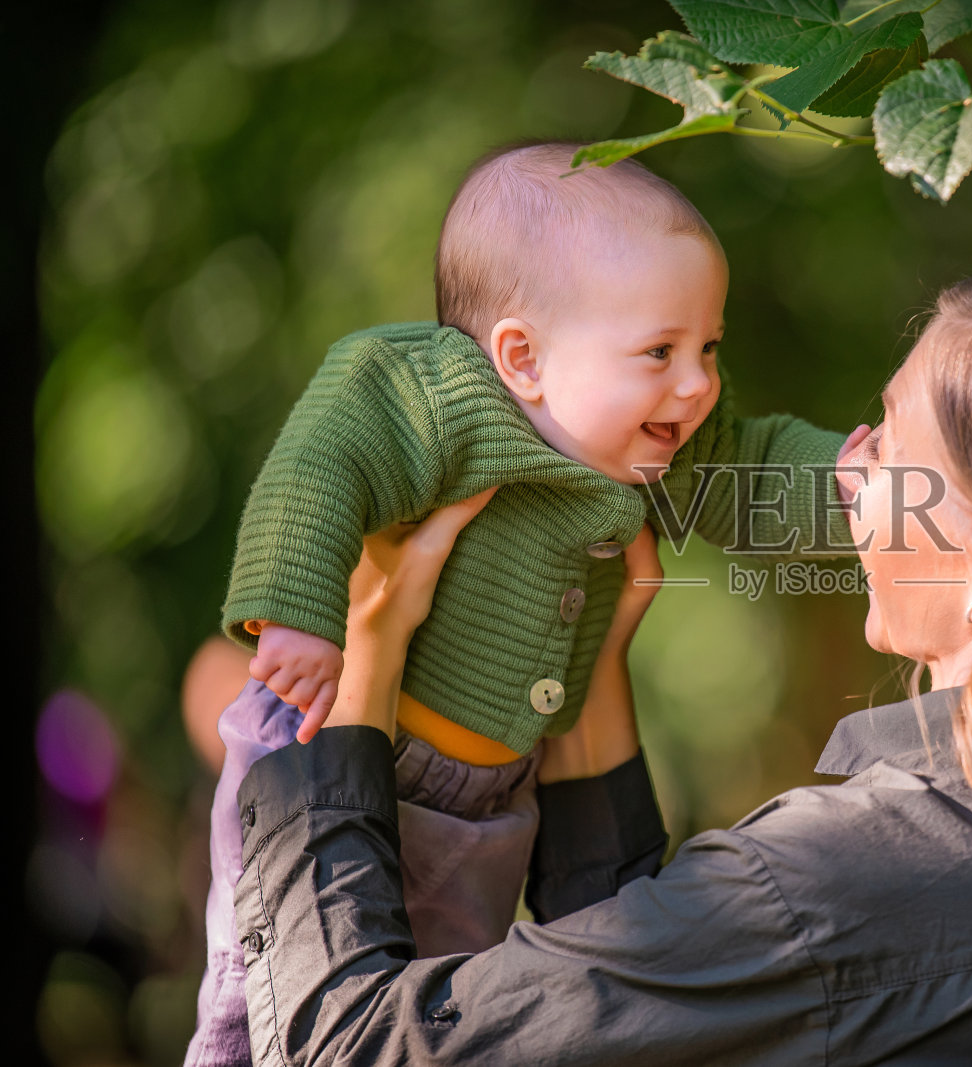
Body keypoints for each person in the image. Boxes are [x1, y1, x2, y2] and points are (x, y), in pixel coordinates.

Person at [230, 263, 972, 1064]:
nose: (850, 472)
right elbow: (679, 1003)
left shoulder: (833, 887)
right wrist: (588, 669)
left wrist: (362, 659)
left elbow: (355, 1046)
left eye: (890, 446)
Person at [187, 141, 854, 1067]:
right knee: (264, 995)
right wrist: (299, 613)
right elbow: (319, 465)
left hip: (496, 794)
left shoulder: (656, 434)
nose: (697, 382)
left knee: (446, 997)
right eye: (660, 349)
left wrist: (856, 487)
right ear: (522, 357)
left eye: (709, 346)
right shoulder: (433, 395)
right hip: (340, 744)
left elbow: (758, 465)